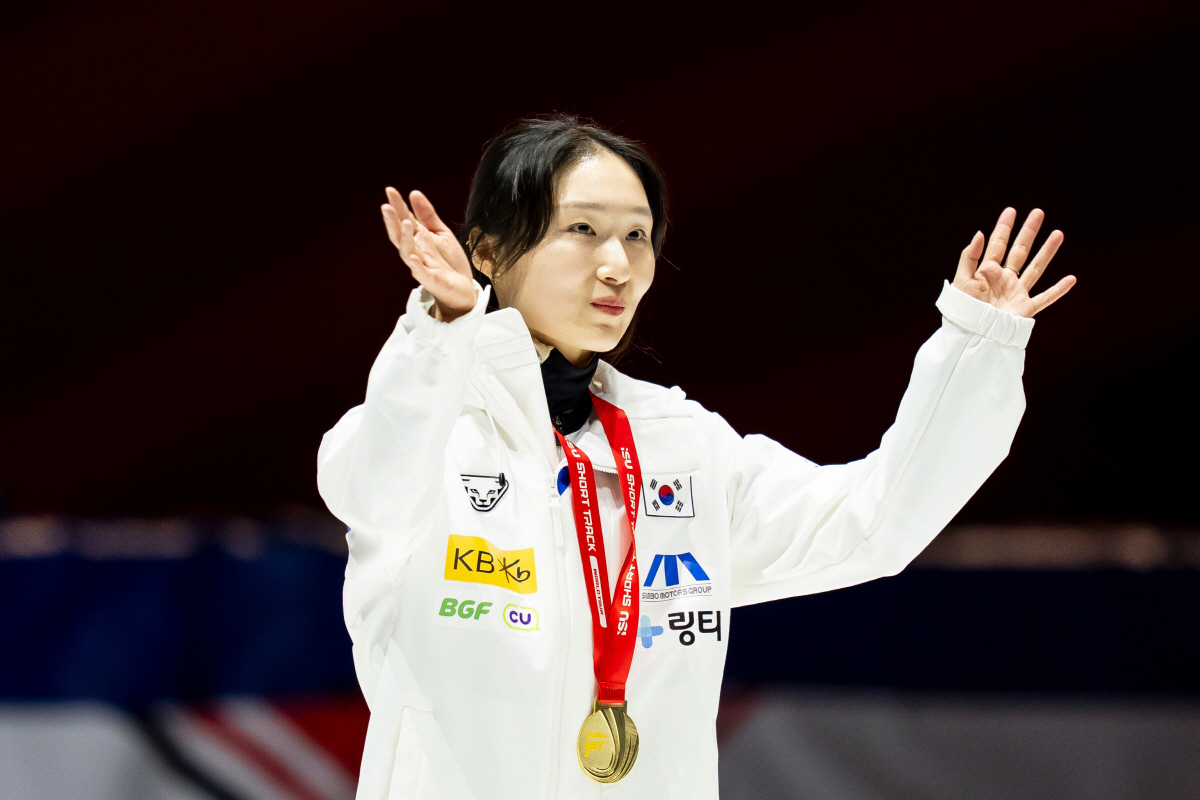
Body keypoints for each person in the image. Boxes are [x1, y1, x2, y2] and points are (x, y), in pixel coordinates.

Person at [316, 115, 1075, 799]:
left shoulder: (682, 446)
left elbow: (875, 522)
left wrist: (977, 345)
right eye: (582, 229)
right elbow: (377, 484)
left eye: (637, 236)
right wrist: (444, 325)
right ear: (486, 249)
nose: (617, 264)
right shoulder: (423, 435)